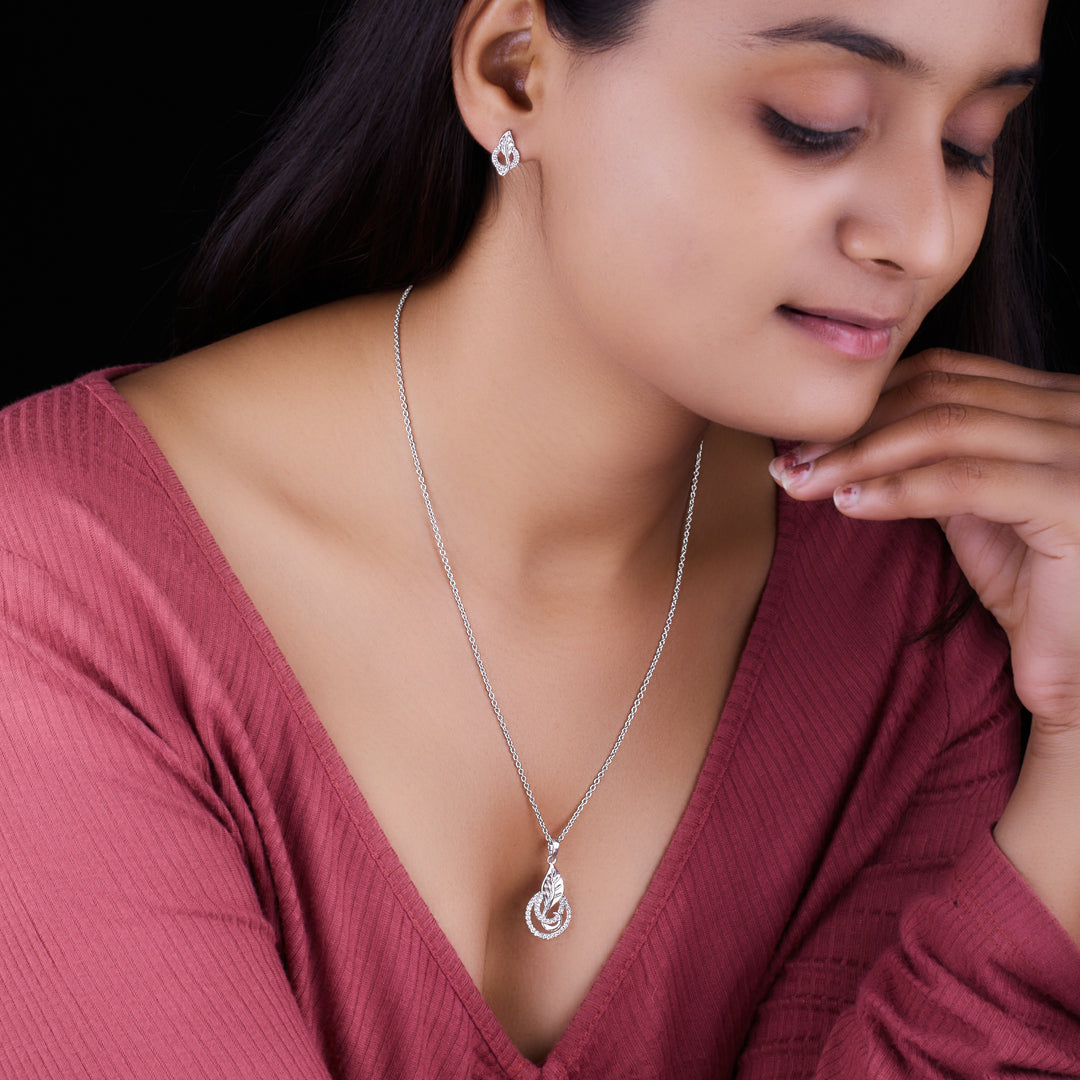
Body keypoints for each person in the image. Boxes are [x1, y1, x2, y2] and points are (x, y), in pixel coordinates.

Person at [1, 0, 1078, 1076]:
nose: (926, 235)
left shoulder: (924, 624)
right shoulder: (56, 589)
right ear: (515, 70)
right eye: (815, 122)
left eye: (968, 144)